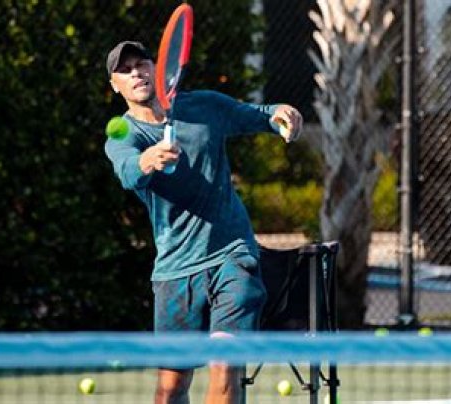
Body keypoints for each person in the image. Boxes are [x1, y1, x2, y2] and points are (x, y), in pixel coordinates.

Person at [104, 40, 304, 404]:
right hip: (175, 270)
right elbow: (128, 171)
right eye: (125, 70)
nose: (136, 73)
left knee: (225, 363)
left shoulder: (205, 106)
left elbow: (259, 114)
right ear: (115, 86)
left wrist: (282, 115)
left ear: (157, 68)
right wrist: (150, 159)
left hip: (233, 255)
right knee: (170, 388)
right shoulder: (123, 133)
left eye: (142, 63)